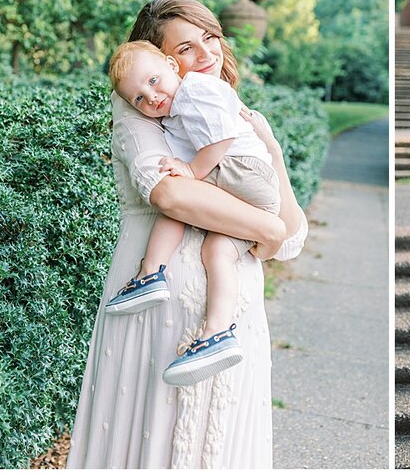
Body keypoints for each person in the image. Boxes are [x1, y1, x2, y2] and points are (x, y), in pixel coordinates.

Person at [68, 0, 307, 469]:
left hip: (235, 318)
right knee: (150, 440)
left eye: (210, 39)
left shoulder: (226, 112)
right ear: (157, 58)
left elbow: (292, 236)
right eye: (186, 48)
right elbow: (171, 194)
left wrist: (274, 152)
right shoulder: (139, 111)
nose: (207, 54)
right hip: (161, 314)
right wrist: (267, 228)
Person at [105, 40, 284, 387]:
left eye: (154, 81)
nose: (151, 97)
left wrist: (192, 169)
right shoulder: (170, 110)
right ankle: (216, 335)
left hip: (243, 171)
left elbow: (221, 139)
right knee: (216, 252)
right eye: (139, 98)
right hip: (256, 199)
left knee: (181, 195)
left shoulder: (195, 90)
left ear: (173, 67)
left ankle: (150, 273)